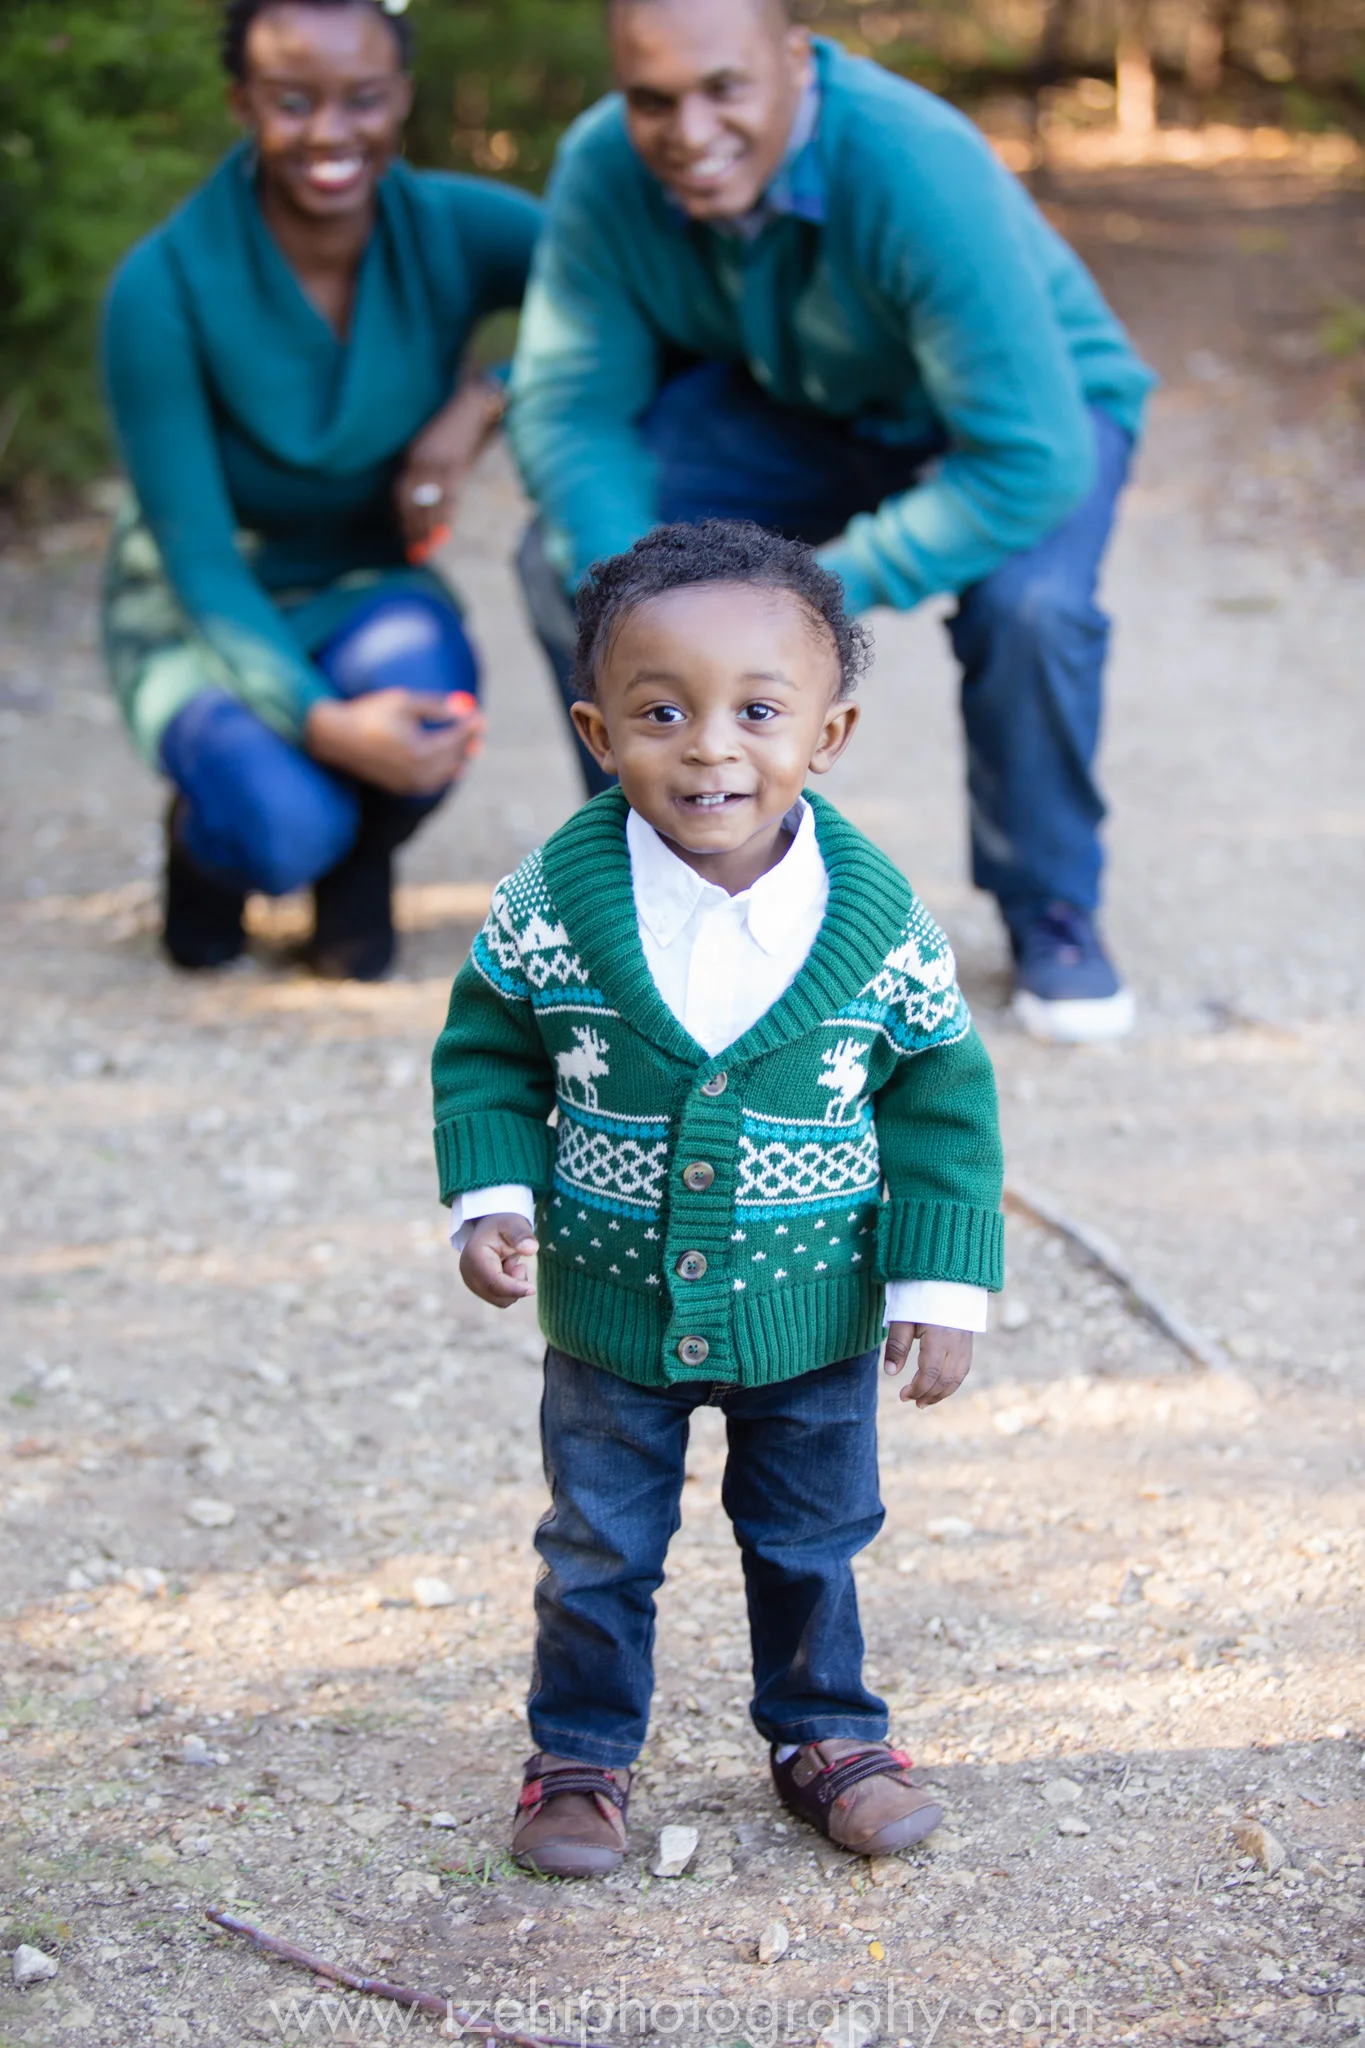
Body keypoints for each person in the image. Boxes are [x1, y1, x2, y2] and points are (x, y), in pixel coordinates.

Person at [431, 520, 1004, 1877]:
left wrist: (937, 1287)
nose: (710, 748)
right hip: (609, 1304)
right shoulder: (550, 908)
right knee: (595, 1546)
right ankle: (576, 1758)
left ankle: (826, 1733)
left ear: (830, 729)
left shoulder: (873, 922)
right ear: (595, 727)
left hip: (812, 1310)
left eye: (757, 711)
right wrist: (488, 1196)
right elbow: (486, 1049)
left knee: (810, 1536)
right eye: (660, 712)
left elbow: (940, 1095)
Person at [508, 0, 1157, 1042]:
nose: (687, 129)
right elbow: (571, 402)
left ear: (795, 60)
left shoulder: (914, 162)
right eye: (652, 99)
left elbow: (1032, 458)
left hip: (1027, 414)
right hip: (805, 407)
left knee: (1029, 608)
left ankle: (1051, 902)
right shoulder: (602, 167)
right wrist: (637, 609)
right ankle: (667, 870)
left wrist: (799, 610)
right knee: (580, 574)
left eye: (724, 89)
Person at [101, 0, 541, 979]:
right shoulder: (160, 290)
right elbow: (203, 567)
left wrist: (485, 398)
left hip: (366, 586)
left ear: (403, 99)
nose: (331, 133)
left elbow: (618, 292)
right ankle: (211, 844)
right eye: (293, 101)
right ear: (241, 102)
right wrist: (329, 726)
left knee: (432, 689)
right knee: (279, 829)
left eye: (364, 99)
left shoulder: (454, 231)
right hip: (199, 615)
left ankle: (359, 860)